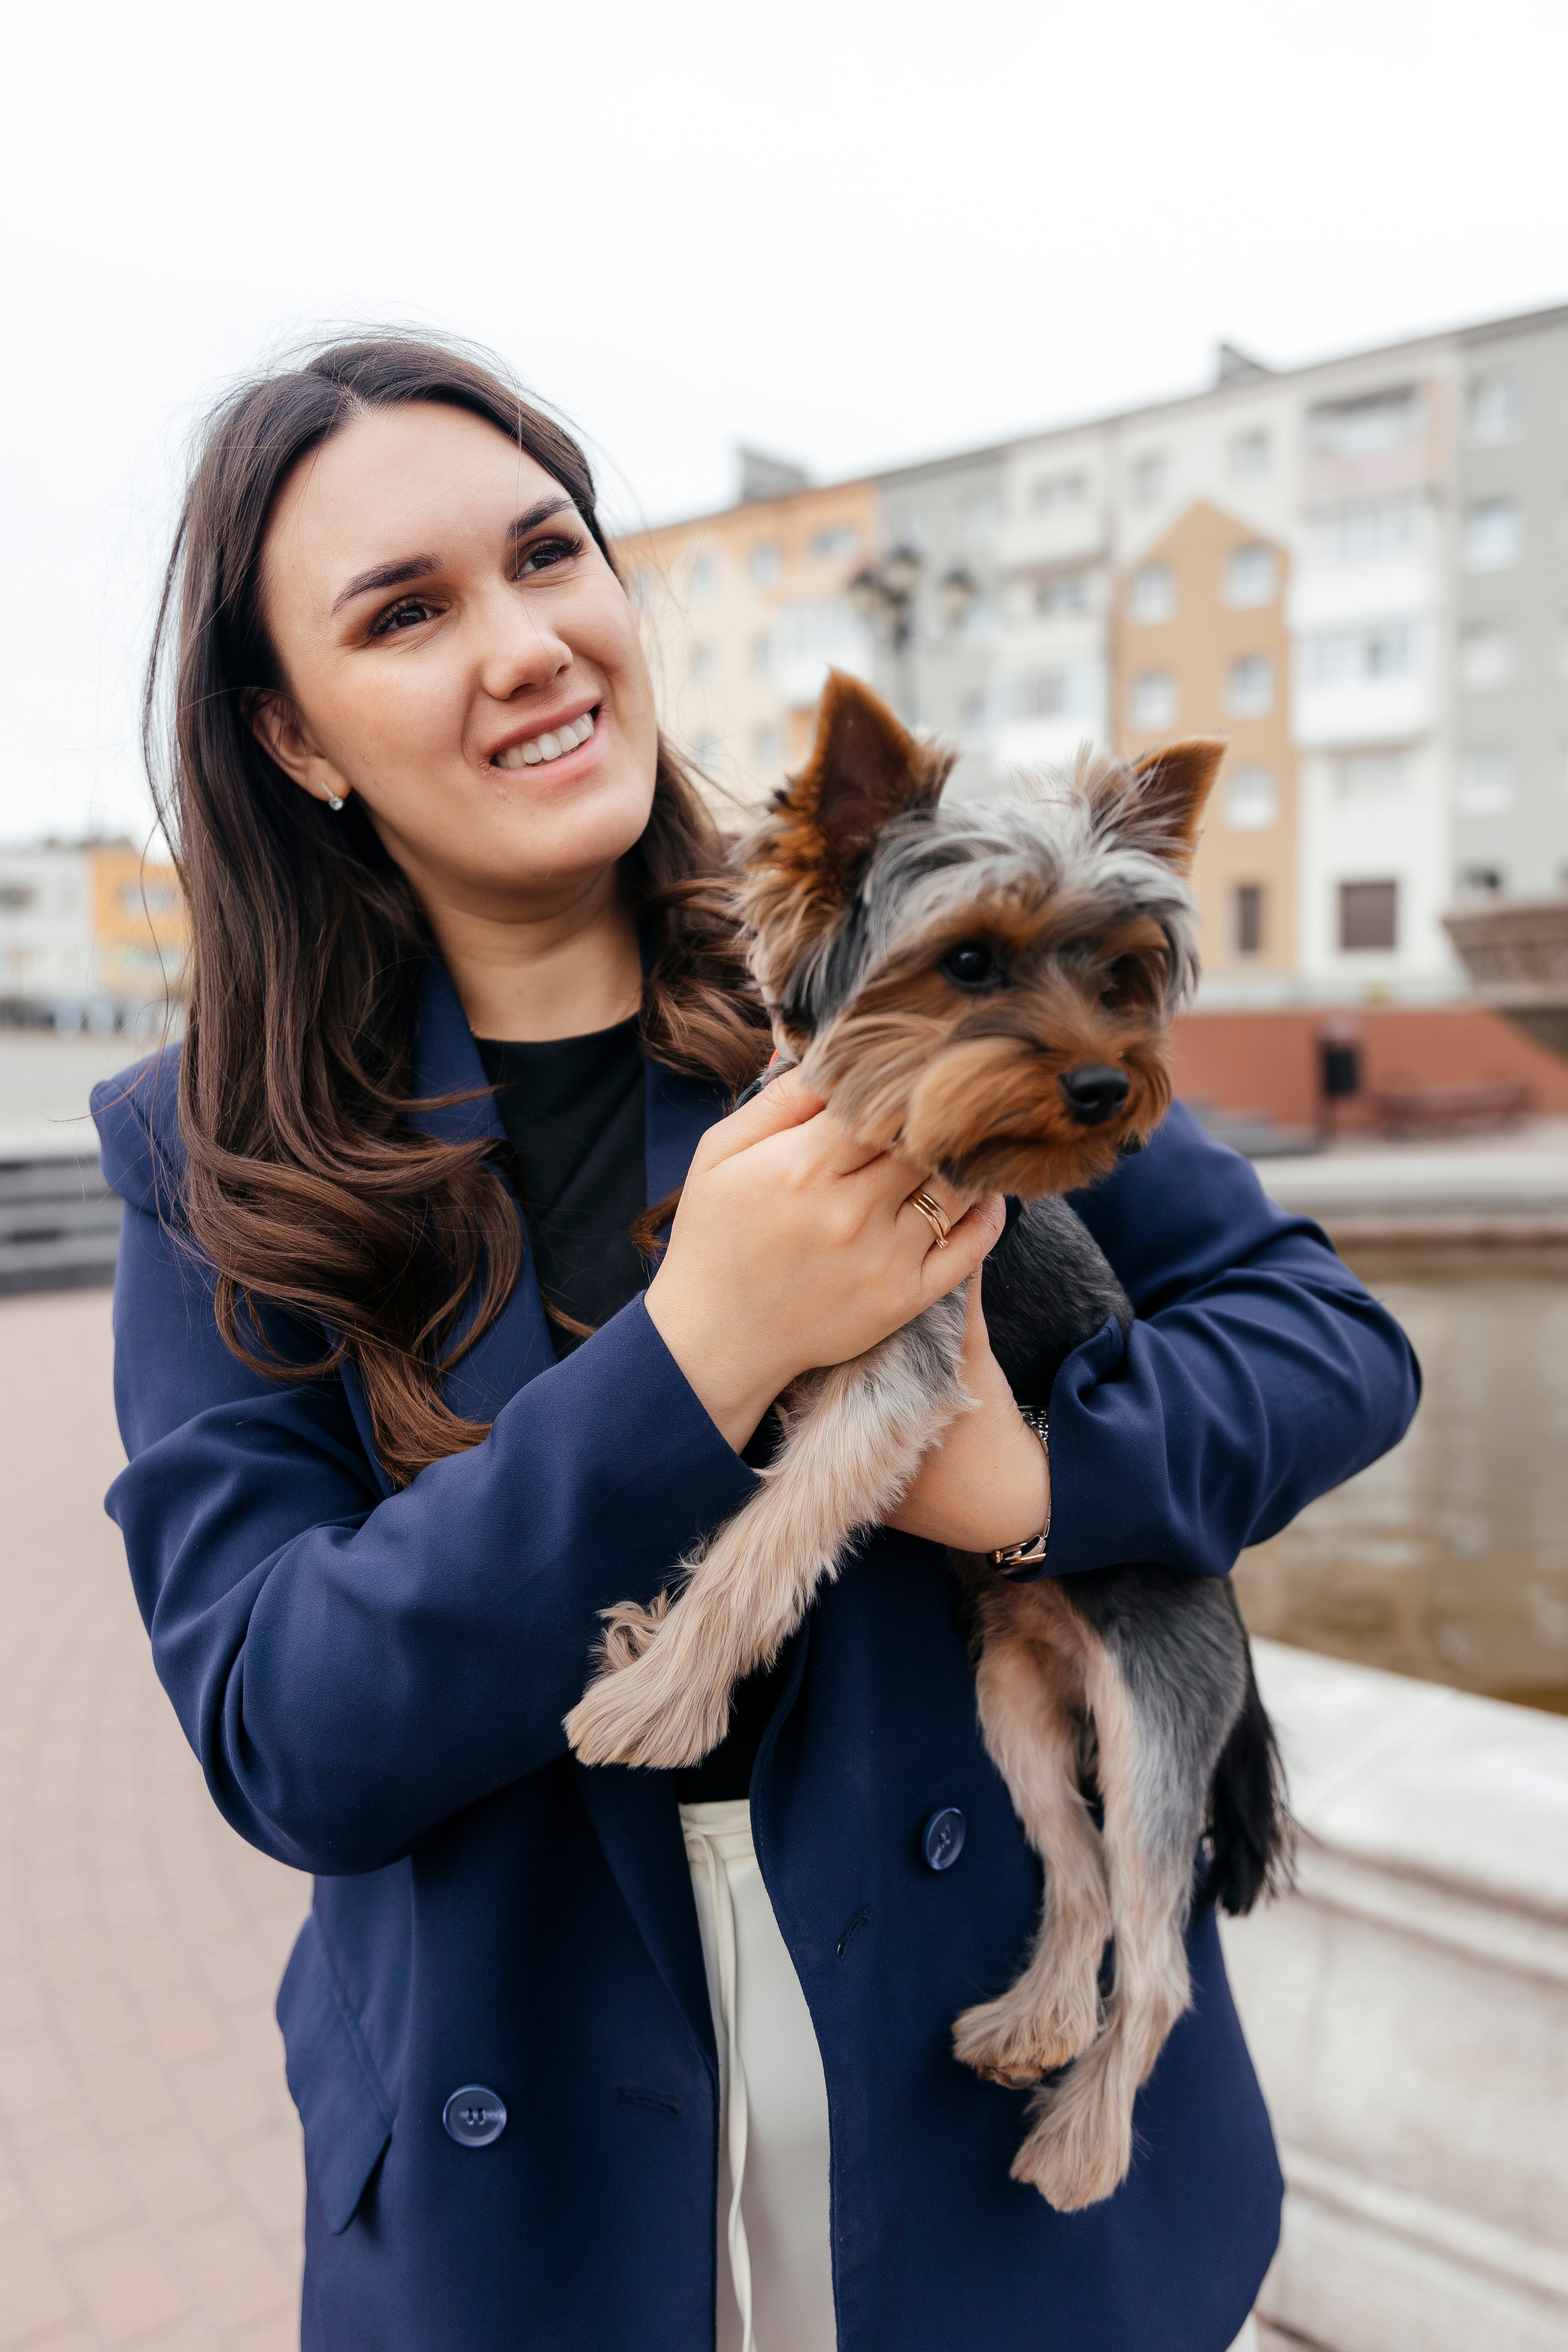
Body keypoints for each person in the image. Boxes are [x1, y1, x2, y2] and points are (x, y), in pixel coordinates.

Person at [94, 334, 1420, 2352]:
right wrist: (694, 1357)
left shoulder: (905, 976)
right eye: (409, 611)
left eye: (552, 555)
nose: (528, 642)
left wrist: (1040, 1488)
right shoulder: (212, 1158)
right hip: (527, 2149)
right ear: (299, 740)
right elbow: (289, 1728)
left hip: (970, 2095)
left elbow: (1331, 1343)